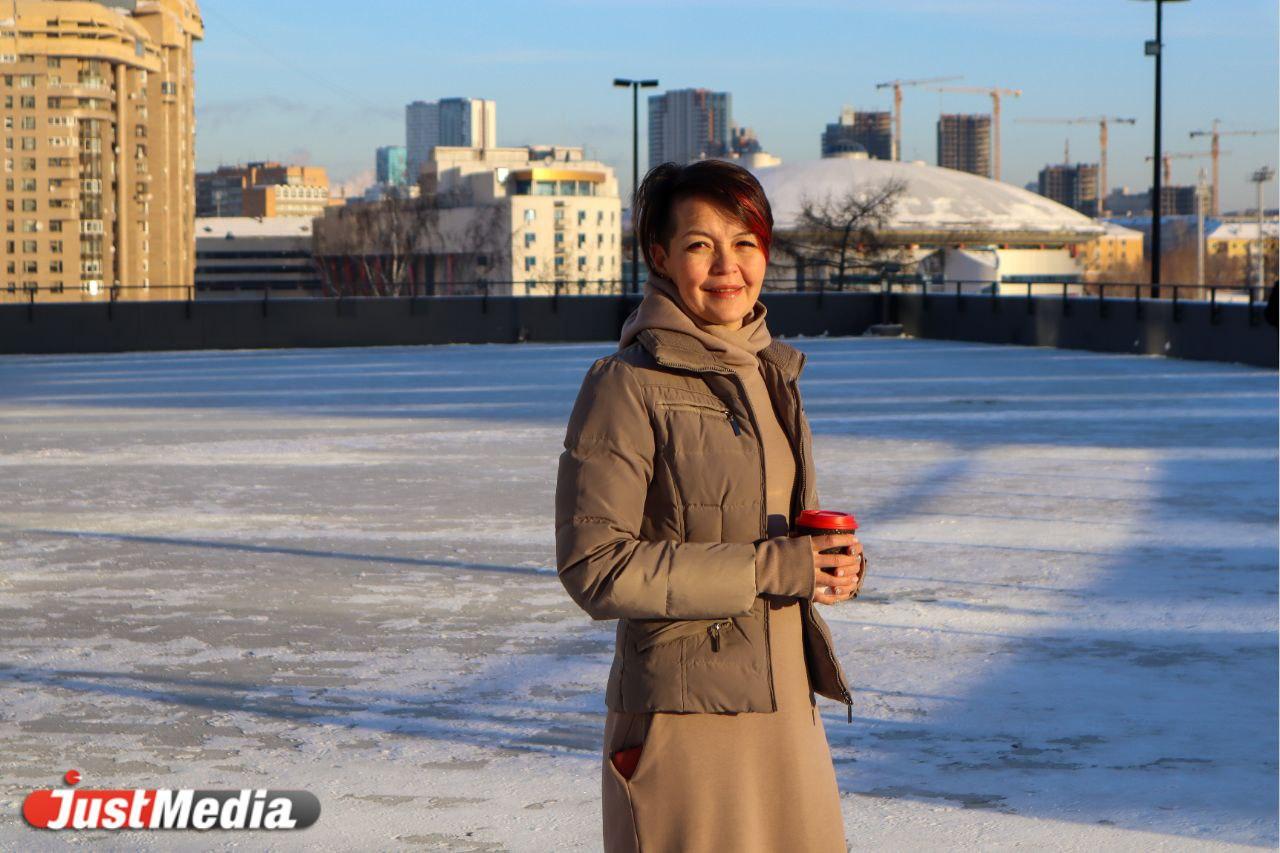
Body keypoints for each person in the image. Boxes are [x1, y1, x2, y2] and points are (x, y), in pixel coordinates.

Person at [554, 159, 867, 852]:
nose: (728, 265)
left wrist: (828, 564)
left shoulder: (770, 372)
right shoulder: (624, 385)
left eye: (745, 242)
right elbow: (595, 567)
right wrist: (775, 567)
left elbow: (777, 536)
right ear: (660, 256)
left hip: (786, 711)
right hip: (686, 722)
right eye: (701, 244)